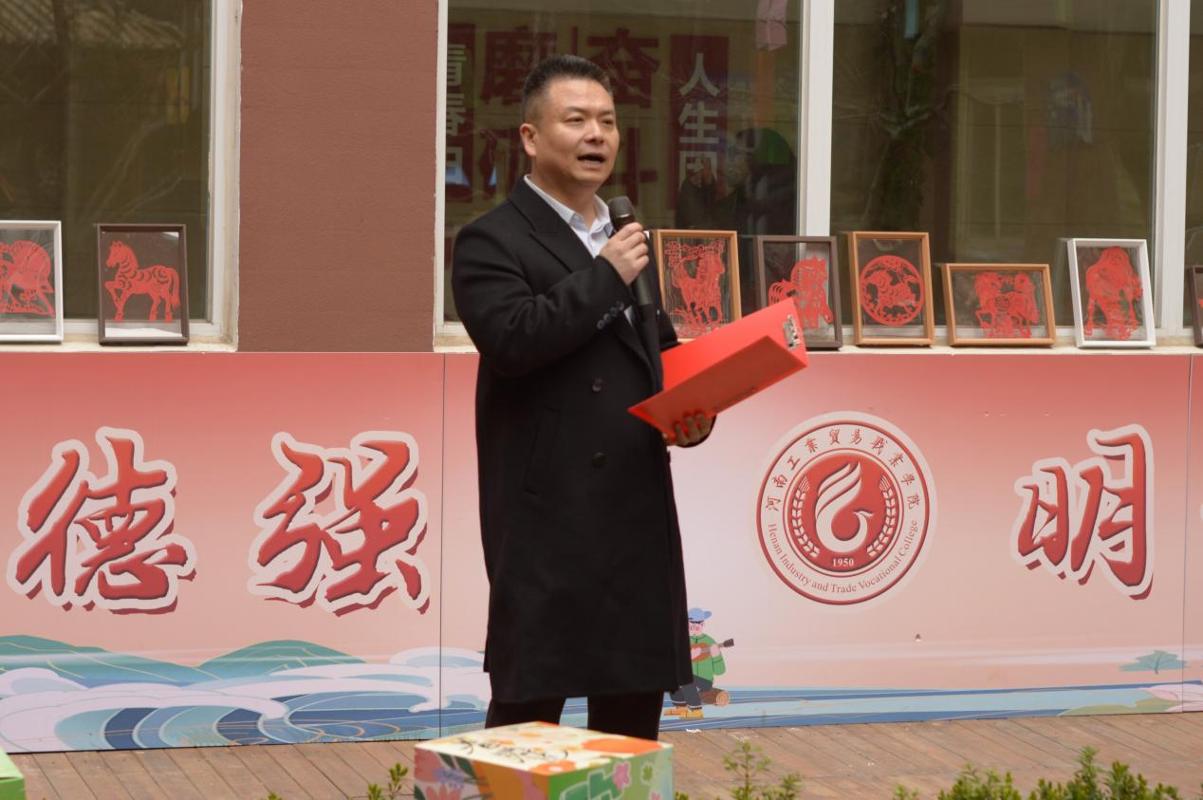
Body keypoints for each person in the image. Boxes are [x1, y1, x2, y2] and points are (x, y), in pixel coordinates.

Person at [451, 54, 714, 741]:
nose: (596, 135)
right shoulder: (490, 239)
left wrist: (693, 411)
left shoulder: (622, 235)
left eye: (607, 121)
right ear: (531, 137)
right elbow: (512, 340)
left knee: (629, 723)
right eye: (576, 120)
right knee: (526, 720)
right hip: (548, 518)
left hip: (634, 508)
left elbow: (658, 352)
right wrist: (605, 274)